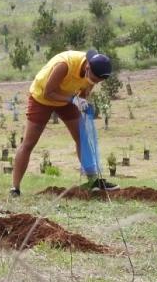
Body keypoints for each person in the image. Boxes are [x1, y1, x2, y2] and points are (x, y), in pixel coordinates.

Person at [10, 49, 116, 197]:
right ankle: (15, 189)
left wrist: (83, 102)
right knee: (29, 143)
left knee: (82, 138)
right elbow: (49, 92)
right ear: (87, 67)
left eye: (98, 81)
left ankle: (93, 182)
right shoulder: (64, 65)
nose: (95, 82)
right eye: (94, 79)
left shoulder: (93, 72)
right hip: (42, 98)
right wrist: (73, 100)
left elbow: (85, 91)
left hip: (66, 99)